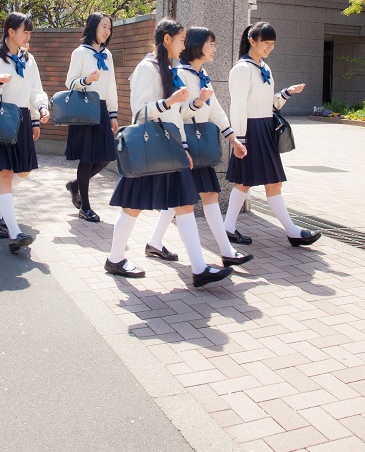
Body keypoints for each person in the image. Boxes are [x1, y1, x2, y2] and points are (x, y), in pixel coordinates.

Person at [105, 18, 233, 287]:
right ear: (167, 40)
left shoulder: (170, 69)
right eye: (181, 40)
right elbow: (139, 111)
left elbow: (178, 115)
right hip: (151, 147)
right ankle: (115, 259)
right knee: (132, 207)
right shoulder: (146, 68)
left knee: (184, 205)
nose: (184, 45)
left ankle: (199, 269)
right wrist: (168, 102)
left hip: (170, 147)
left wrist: (184, 146)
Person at [145, 27, 254, 267]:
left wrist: (232, 138)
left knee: (194, 197)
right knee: (191, 198)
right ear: (197, 45)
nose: (215, 49)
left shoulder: (201, 74)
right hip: (183, 145)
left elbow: (215, 109)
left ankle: (156, 243)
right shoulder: (180, 74)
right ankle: (222, 253)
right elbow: (177, 112)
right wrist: (196, 103)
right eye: (211, 44)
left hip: (197, 147)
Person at [223, 21, 321, 247]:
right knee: (245, 182)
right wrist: (240, 139)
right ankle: (231, 228)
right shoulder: (241, 69)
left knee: (270, 183)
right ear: (252, 41)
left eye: (272, 44)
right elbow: (237, 106)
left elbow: (269, 105)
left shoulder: (264, 68)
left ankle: (291, 231)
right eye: (265, 43)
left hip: (265, 128)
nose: (269, 47)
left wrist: (287, 93)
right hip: (250, 131)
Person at [0, 12, 50, 252]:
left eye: (30, 32)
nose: (28, 36)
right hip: (1, 118)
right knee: (6, 174)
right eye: (25, 31)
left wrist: (39, 110)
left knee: (21, 171)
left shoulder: (28, 59)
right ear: (11, 31)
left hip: (21, 117)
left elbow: (36, 90)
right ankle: (15, 232)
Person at [64, 12, 118, 223]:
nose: (107, 31)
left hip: (102, 108)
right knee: (87, 158)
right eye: (104, 26)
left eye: (109, 28)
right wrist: (85, 80)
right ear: (93, 27)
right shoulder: (80, 53)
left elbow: (111, 85)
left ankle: (76, 185)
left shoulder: (108, 55)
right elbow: (69, 82)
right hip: (85, 107)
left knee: (105, 156)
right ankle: (85, 207)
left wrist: (113, 114)